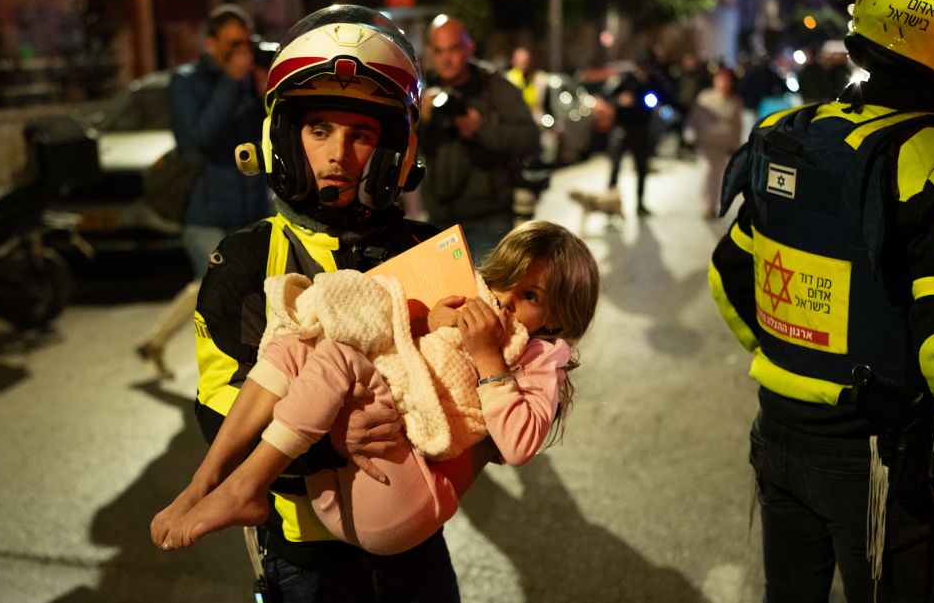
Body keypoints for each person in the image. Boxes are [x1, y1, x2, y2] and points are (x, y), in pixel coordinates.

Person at [187, 4, 467, 603]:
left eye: (360, 133)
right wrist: (324, 443)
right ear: (285, 136)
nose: (338, 153)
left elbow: (469, 395)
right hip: (305, 551)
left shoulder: (425, 256)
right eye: (318, 130)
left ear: (395, 149)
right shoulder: (247, 261)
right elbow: (220, 398)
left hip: (416, 539)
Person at [709, 0, 934, 603]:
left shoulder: (791, 132)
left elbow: (730, 285)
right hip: (878, 457)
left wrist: (798, 364)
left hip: (779, 435)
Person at [151, 220, 599, 555]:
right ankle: (205, 480)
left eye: (532, 297)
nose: (505, 300)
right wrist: (428, 321)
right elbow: (403, 355)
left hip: (401, 503)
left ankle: (246, 487)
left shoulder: (541, 359)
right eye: (505, 282)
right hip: (337, 494)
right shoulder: (255, 246)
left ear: (559, 319)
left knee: (338, 357)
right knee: (296, 343)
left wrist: (486, 355)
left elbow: (517, 445)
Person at [135, 3, 270, 376]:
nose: (242, 51)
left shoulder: (248, 80)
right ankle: (226, 374)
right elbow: (197, 140)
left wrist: (264, 96)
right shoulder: (187, 81)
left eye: (247, 42)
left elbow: (264, 140)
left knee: (237, 288)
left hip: (251, 207)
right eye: (232, 44)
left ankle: (157, 340)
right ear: (211, 44)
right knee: (215, 289)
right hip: (205, 209)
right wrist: (230, 81)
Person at [419, 16, 541, 262]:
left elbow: (530, 138)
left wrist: (480, 129)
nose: (446, 58)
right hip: (438, 223)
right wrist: (419, 120)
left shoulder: (494, 87)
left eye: (454, 48)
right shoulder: (423, 91)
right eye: (439, 50)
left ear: (469, 48)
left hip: (487, 222)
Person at [605, 61, 662, 217]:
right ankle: (610, 204)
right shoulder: (620, 83)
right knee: (615, 168)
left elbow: (655, 100)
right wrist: (619, 101)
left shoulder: (647, 84)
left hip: (640, 130)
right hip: (622, 130)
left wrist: (643, 103)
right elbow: (609, 97)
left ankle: (640, 204)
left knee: (641, 168)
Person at [687, 65, 743, 220]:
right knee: (707, 174)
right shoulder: (705, 98)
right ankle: (707, 205)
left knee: (719, 177)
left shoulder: (735, 102)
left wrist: (736, 144)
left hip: (724, 147)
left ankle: (713, 205)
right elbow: (694, 119)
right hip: (706, 144)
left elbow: (737, 125)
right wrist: (690, 135)